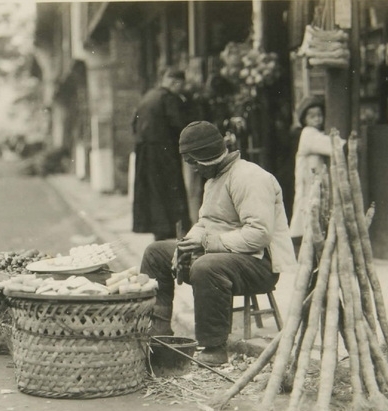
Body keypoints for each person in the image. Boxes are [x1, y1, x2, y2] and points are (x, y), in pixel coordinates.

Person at [140, 121, 297, 366]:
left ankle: (214, 348)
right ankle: (157, 334)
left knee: (206, 266)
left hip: (259, 264)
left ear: (204, 158)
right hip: (225, 257)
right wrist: (186, 245)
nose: (192, 169)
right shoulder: (214, 179)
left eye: (193, 162)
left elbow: (259, 235)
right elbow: (205, 222)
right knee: (155, 253)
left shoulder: (250, 177)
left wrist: (206, 243)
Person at [132, 68, 192, 241]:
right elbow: (179, 124)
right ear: (175, 83)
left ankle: (159, 231)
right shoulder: (168, 98)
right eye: (181, 86)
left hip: (145, 152)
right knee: (169, 190)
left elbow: (134, 125)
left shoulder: (148, 96)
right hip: (163, 152)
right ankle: (170, 230)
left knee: (153, 193)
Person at [289, 96, 333, 256]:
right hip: (307, 180)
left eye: (319, 115)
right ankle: (300, 249)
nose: (317, 119)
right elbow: (330, 145)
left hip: (312, 180)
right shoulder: (309, 134)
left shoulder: (315, 133)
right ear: (305, 120)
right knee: (305, 210)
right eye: (312, 116)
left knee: (309, 210)